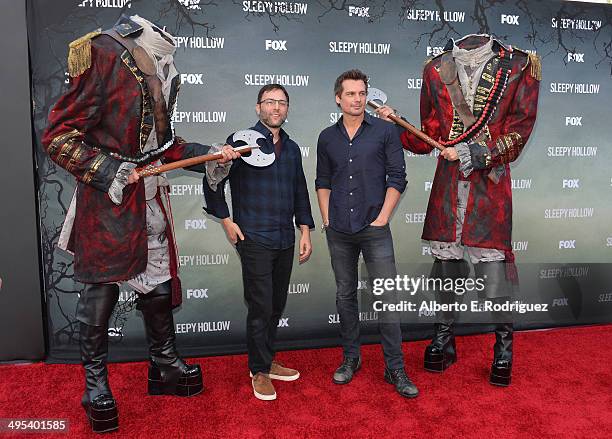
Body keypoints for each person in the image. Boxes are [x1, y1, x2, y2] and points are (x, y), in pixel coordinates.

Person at [42, 15, 238, 433]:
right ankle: (95, 387)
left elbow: (164, 146)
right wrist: (110, 169)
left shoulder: (165, 63)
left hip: (149, 199)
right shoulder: (102, 51)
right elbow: (57, 137)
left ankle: (163, 366)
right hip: (109, 201)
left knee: (159, 283)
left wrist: (211, 154)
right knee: (102, 289)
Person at [377, 34, 541, 386]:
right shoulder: (436, 68)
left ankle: (503, 350)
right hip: (449, 181)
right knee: (446, 266)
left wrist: (474, 154)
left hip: (489, 184)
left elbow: (518, 132)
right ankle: (443, 341)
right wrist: (398, 125)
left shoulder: (520, 64)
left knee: (494, 270)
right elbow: (432, 131)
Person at [203, 84, 314, 401]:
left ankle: (266, 358)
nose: (276, 107)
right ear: (257, 108)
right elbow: (212, 181)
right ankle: (259, 370)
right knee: (261, 305)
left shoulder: (291, 148)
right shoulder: (239, 143)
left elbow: (300, 190)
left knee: (276, 304)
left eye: (282, 103)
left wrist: (304, 229)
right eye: (269, 102)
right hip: (253, 237)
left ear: (287, 109)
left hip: (285, 238)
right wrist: (225, 220)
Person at [315, 69, 418, 398]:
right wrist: (327, 218)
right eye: (351, 94)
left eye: (362, 93)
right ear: (338, 98)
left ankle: (395, 367)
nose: (357, 99)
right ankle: (351, 358)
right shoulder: (326, 138)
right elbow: (323, 181)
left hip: (375, 228)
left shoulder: (386, 132)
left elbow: (397, 178)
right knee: (345, 295)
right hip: (339, 231)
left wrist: (382, 218)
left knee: (387, 298)